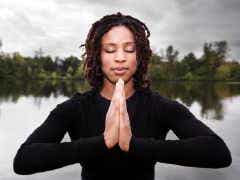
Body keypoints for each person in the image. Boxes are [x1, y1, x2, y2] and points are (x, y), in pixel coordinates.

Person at [13, 12, 232, 180]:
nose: (120, 58)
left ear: (140, 56)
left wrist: (132, 145)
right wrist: (103, 142)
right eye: (110, 50)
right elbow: (23, 161)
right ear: (97, 56)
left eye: (129, 49)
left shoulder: (160, 106)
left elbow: (218, 152)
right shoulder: (74, 108)